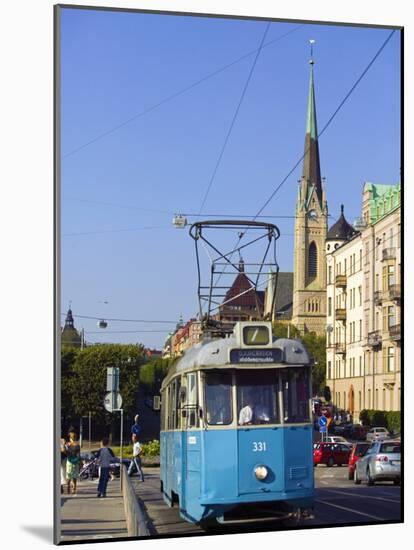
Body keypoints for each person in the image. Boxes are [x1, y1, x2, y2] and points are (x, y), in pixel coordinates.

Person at [65, 428, 81, 495]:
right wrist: (80, 462)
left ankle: (68, 487)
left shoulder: (67, 444)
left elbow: (66, 453)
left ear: (70, 437)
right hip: (76, 461)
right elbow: (78, 454)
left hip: (69, 461)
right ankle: (74, 488)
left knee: (69, 475)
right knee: (74, 476)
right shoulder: (77, 445)